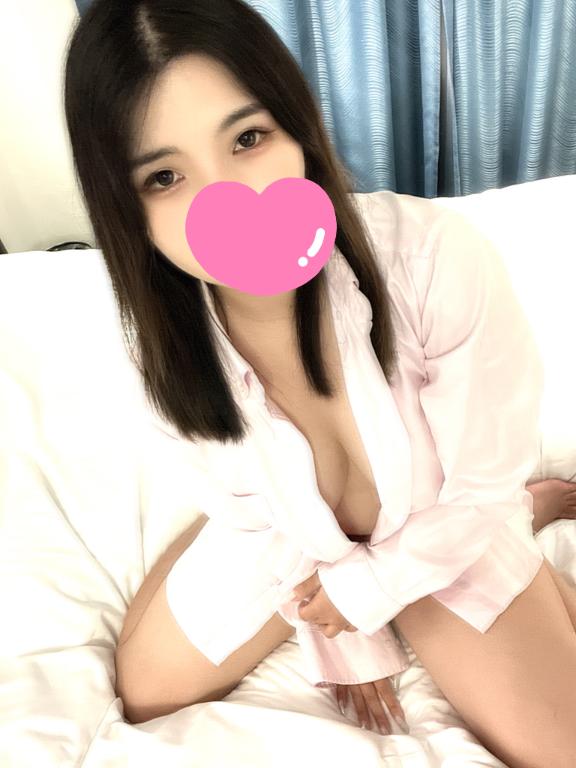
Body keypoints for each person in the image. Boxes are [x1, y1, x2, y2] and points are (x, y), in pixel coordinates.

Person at [63, 1, 576, 763]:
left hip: (440, 524)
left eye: (248, 138)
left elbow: (480, 485)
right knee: (144, 692)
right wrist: (343, 636)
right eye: (165, 176)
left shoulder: (433, 259)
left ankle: (530, 514)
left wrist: (365, 597)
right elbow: (248, 513)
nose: (229, 200)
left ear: (297, 128)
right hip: (282, 534)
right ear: (124, 206)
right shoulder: (162, 346)